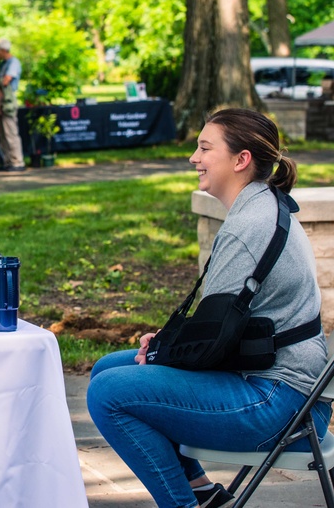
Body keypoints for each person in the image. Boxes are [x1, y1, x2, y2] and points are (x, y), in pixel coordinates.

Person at [87, 108, 330, 508]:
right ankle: (200, 490)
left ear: (241, 160)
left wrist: (164, 352)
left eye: (204, 147)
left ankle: (184, 504)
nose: (193, 158)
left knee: (108, 392)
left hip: (282, 406)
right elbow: (223, 325)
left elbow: (210, 342)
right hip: (284, 386)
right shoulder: (266, 203)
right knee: (107, 368)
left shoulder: (248, 227)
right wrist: (165, 345)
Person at [0, 39, 25, 171]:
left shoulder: (13, 63)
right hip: (1, 101)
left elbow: (6, 80)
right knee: (2, 133)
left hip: (8, 101)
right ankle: (8, 161)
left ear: (3, 50)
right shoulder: (4, 64)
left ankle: (17, 161)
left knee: (10, 131)